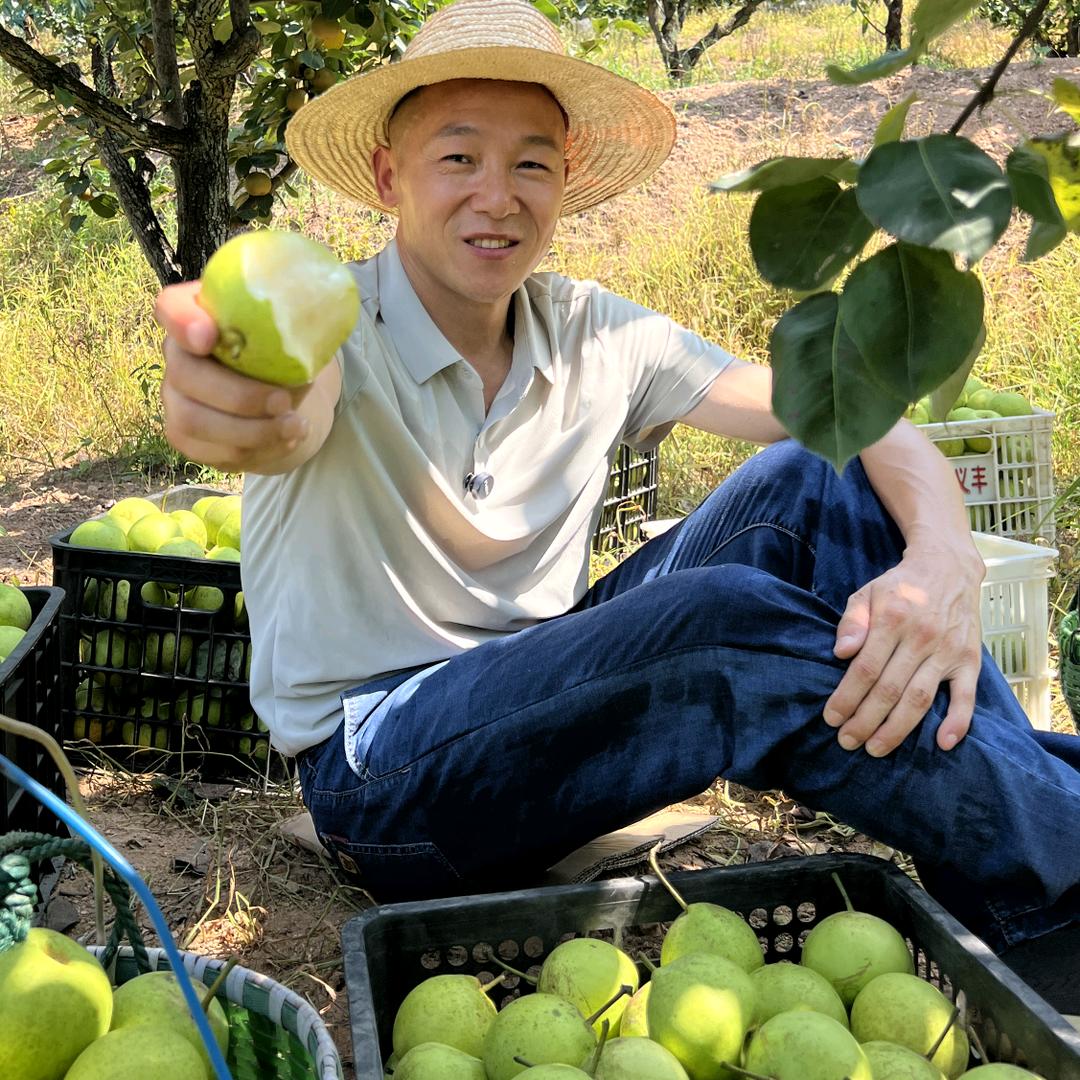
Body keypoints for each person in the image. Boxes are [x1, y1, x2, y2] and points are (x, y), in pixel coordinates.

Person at [153, 0, 1079, 1011]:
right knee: (724, 628)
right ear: (390, 178)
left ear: (564, 186)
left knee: (820, 481)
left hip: (545, 689)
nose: (496, 198)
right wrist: (244, 405)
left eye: (531, 165)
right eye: (457, 158)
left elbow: (845, 416)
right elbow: (283, 414)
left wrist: (946, 555)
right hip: (382, 770)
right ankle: (1063, 868)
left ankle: (1026, 897)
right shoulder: (334, 323)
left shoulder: (590, 331)